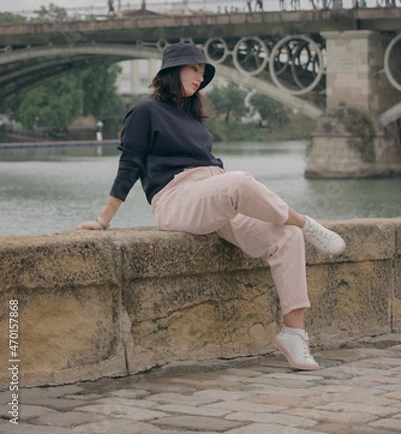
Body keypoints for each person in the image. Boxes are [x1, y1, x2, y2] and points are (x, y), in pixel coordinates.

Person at [77, 42, 346, 371]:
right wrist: (103, 220)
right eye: (194, 69)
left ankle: (294, 334)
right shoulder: (145, 111)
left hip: (210, 194)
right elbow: (129, 166)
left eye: (203, 73)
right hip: (175, 198)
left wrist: (218, 184)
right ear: (172, 72)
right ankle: (306, 222)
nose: (199, 77)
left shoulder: (193, 115)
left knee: (286, 237)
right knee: (240, 182)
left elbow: (210, 168)